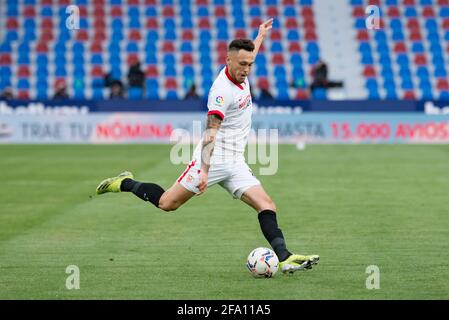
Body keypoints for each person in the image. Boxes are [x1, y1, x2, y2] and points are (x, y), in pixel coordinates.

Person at [95, 19, 319, 274]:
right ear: (228, 61)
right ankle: (124, 182)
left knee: (267, 205)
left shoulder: (241, 70)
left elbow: (250, 54)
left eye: (250, 64)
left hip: (235, 162)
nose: (247, 69)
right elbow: (210, 132)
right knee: (167, 204)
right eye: (243, 64)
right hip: (213, 160)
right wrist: (203, 170)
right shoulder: (221, 92)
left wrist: (260, 36)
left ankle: (285, 257)